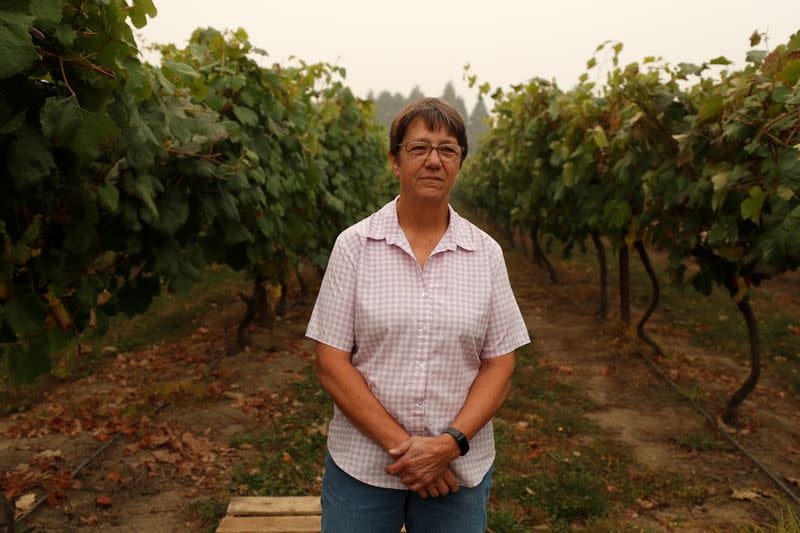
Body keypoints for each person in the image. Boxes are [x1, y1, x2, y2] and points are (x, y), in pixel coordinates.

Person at [305, 97, 530, 533]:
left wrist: (449, 445)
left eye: (448, 150)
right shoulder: (354, 247)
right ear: (394, 160)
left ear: (461, 162)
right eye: (419, 148)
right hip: (365, 469)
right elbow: (331, 363)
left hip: (457, 473)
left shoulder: (486, 254)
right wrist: (411, 452)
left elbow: (500, 361)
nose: (434, 161)